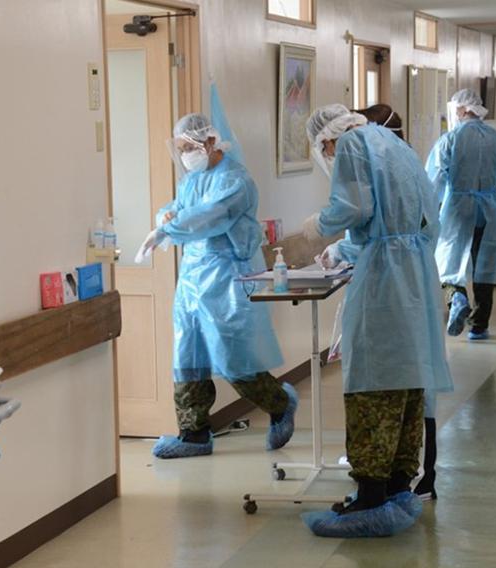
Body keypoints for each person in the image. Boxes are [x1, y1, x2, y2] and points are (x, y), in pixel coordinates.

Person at [299, 104, 453, 538]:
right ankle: (396, 483)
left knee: (372, 379)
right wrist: (349, 250)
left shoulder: (350, 143)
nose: (329, 156)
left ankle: (369, 493)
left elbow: (353, 206)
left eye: (323, 150)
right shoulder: (391, 142)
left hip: (385, 283)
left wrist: (319, 226)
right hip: (417, 273)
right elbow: (402, 218)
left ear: (328, 139)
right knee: (407, 379)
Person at [135, 113, 298, 459]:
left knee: (233, 357)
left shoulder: (236, 181)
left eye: (188, 147)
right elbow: (178, 208)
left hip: (225, 277)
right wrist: (164, 217)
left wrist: (170, 227)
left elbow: (209, 217)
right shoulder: (192, 180)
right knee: (187, 355)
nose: (184, 155)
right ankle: (193, 433)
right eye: (179, 149)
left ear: (210, 142)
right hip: (192, 277)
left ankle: (280, 403)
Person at [425, 89, 496, 341]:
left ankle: (457, 298)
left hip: (458, 208)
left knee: (448, 262)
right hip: (490, 210)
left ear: (461, 110)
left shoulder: (449, 140)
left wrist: (427, 213)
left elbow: (434, 182)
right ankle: (479, 325)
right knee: (485, 266)